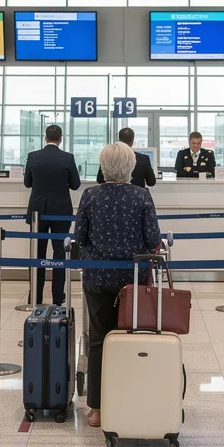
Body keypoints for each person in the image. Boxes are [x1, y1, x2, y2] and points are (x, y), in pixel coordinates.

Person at [74, 142, 162, 429]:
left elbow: (81, 238)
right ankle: (129, 397)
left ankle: (97, 409)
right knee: (132, 336)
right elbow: (152, 240)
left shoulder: (90, 195)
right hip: (133, 279)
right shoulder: (141, 196)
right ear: (131, 167)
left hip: (97, 277)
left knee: (99, 339)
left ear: (103, 166)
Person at [24, 125, 80, 305]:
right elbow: (75, 185)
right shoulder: (68, 158)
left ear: (45, 138)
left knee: (38, 254)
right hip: (61, 211)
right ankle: (57, 297)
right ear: (60, 138)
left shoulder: (33, 156)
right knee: (60, 254)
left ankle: (36, 297)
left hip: (37, 212)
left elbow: (27, 183)